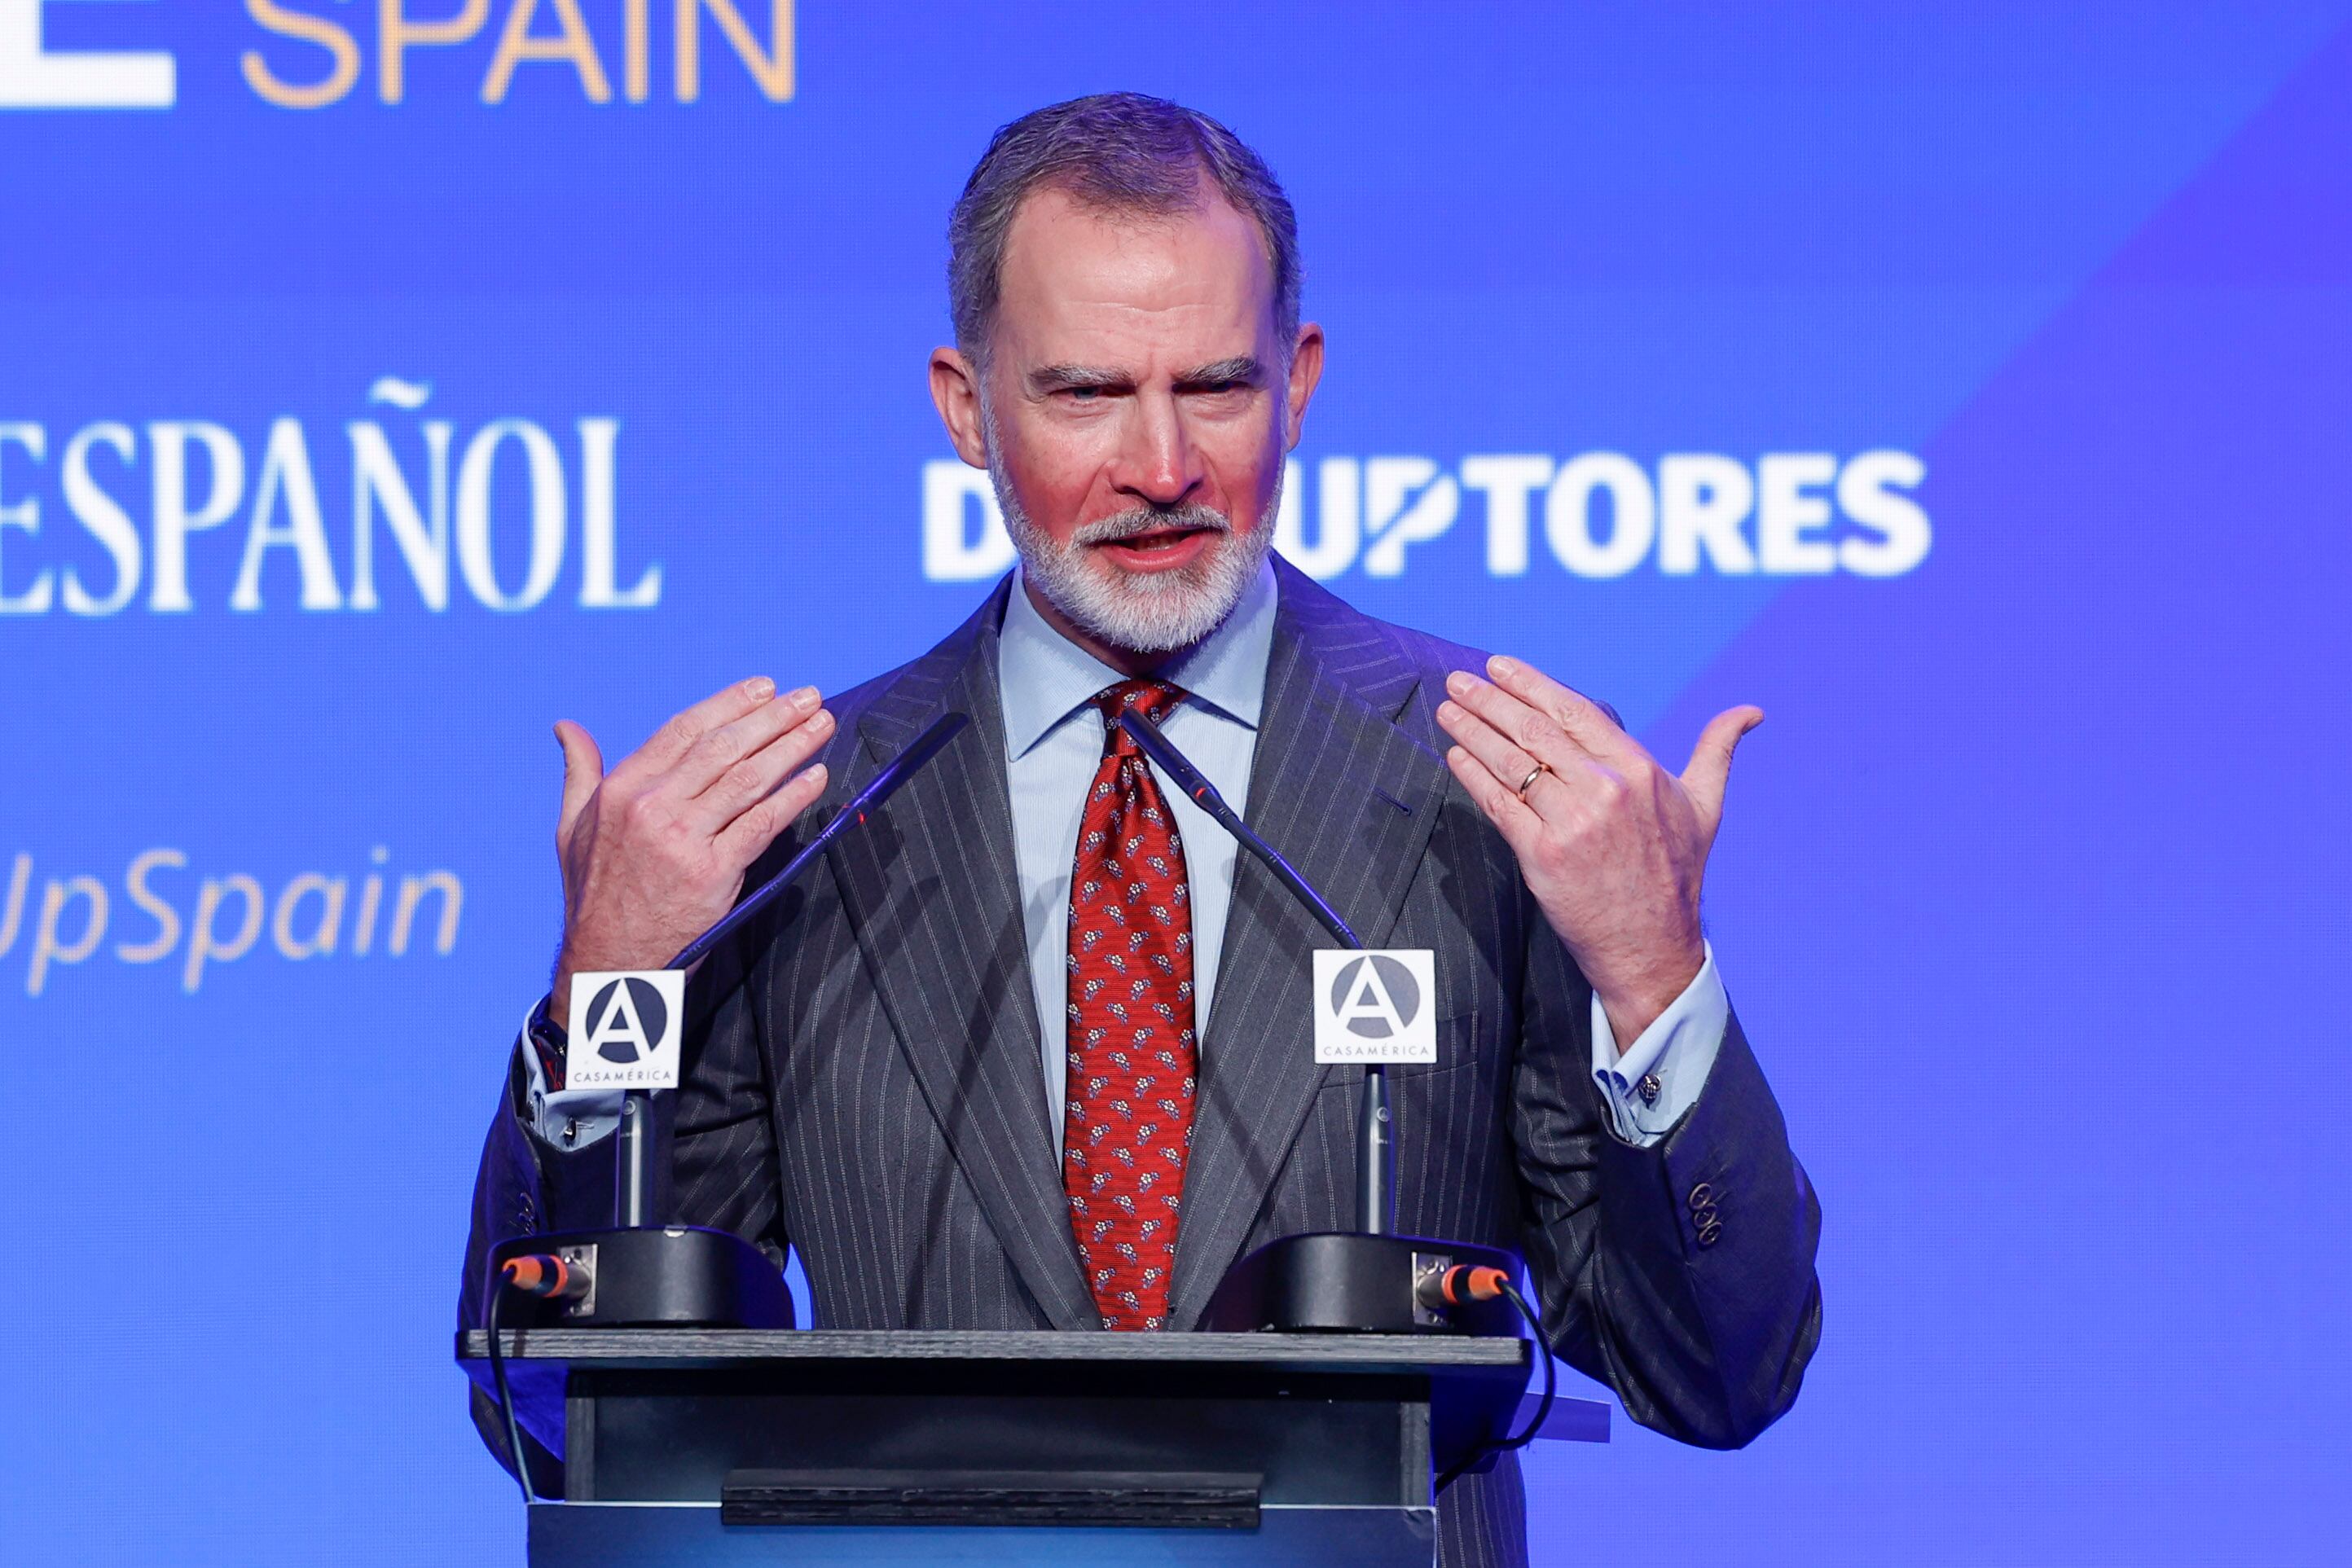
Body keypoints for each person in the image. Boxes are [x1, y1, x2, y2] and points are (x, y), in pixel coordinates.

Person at [459, 91, 1820, 1568]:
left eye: (1218, 387)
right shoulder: (806, 812)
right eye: (1087, 393)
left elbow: (1721, 1377)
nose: (1161, 465)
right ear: (966, 406)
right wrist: (606, 994)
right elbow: (557, 1417)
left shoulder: (1485, 784)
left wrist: (1654, 975)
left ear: (1299, 380)